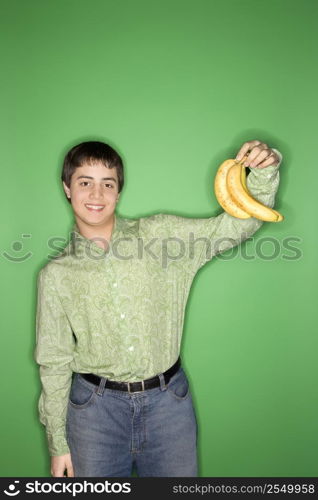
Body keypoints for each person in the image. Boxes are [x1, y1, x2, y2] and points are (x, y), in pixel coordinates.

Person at [34, 139, 282, 477]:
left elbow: (236, 225)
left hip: (169, 408)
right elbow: (53, 360)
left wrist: (264, 172)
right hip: (94, 415)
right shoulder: (55, 275)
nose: (97, 194)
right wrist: (58, 443)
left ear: (118, 192)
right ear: (67, 188)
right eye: (84, 182)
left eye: (107, 184)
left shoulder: (161, 237)